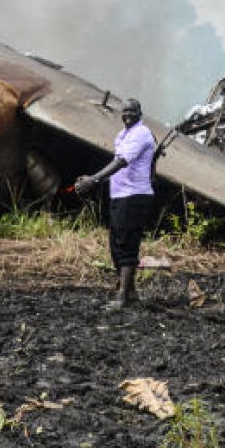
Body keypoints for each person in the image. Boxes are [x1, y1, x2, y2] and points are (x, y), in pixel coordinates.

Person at [75, 98, 156, 310]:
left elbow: (121, 162)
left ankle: (121, 297)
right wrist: (92, 177)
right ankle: (131, 293)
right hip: (120, 196)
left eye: (132, 110)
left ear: (140, 113)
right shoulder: (122, 135)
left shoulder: (140, 134)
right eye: (125, 111)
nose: (127, 114)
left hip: (134, 196)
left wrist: (94, 179)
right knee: (116, 244)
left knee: (126, 244)